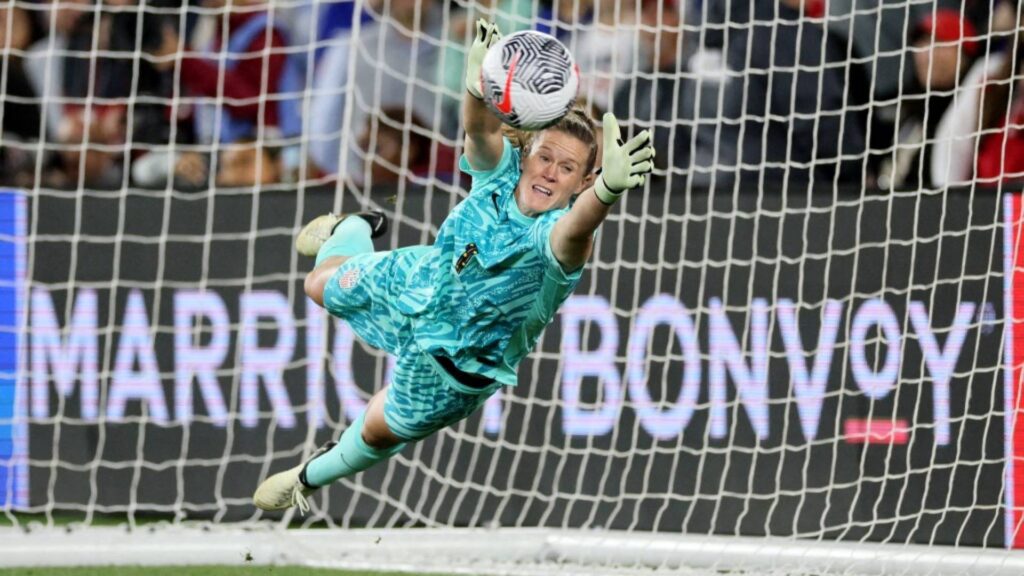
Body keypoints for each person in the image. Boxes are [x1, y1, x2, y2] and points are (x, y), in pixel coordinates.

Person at [252, 19, 654, 513]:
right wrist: (475, 86)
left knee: (378, 432)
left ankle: (306, 479)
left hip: (456, 368)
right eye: (545, 156)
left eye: (567, 168)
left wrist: (607, 193)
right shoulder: (500, 171)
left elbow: (578, 229)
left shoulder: (558, 237)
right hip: (419, 280)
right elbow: (481, 127)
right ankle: (354, 228)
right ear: (526, 152)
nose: (550, 171)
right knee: (317, 285)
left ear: (580, 182)